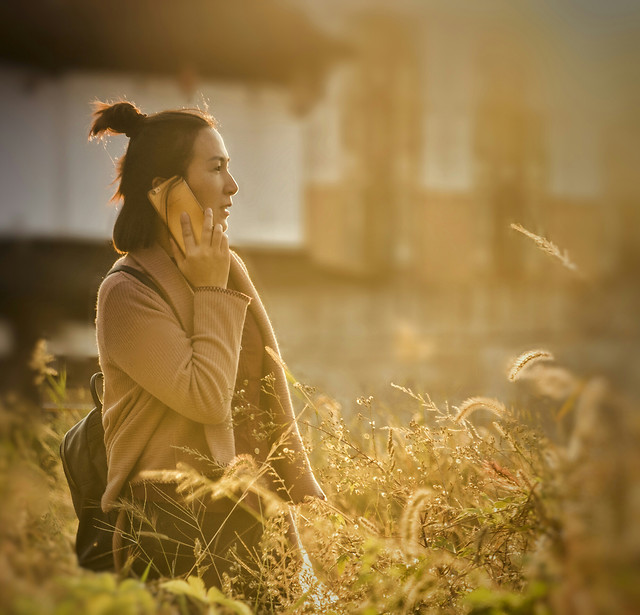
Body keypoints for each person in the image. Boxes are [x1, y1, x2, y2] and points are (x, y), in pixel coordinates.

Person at [90, 101, 325, 589]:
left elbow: (269, 383)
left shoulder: (227, 265)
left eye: (229, 168)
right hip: (176, 531)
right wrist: (211, 292)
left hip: (258, 516)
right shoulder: (126, 293)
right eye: (216, 168)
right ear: (166, 188)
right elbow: (206, 399)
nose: (232, 186)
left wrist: (303, 489)